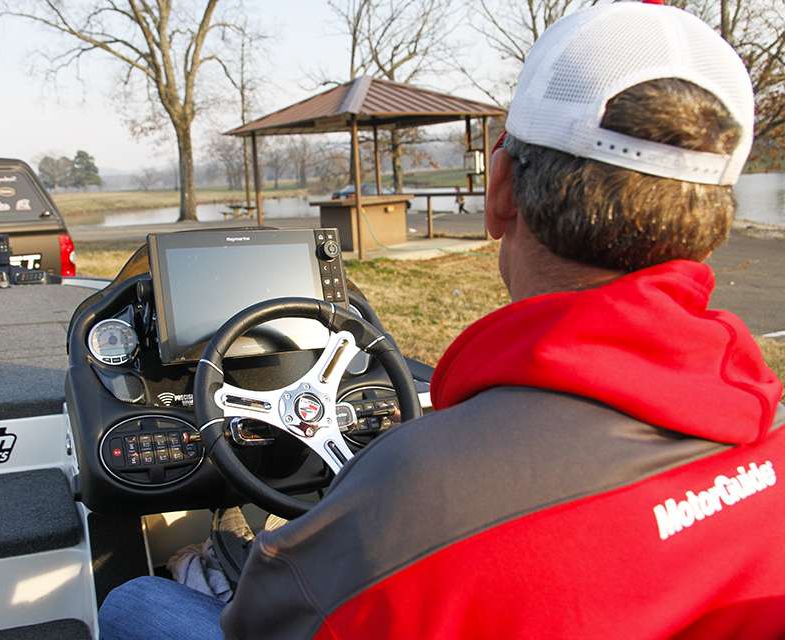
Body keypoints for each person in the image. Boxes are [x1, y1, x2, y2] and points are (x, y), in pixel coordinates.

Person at [99, 4, 785, 638]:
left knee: (136, 603)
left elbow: (262, 622)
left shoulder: (418, 495)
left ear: (499, 193)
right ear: (711, 223)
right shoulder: (767, 435)